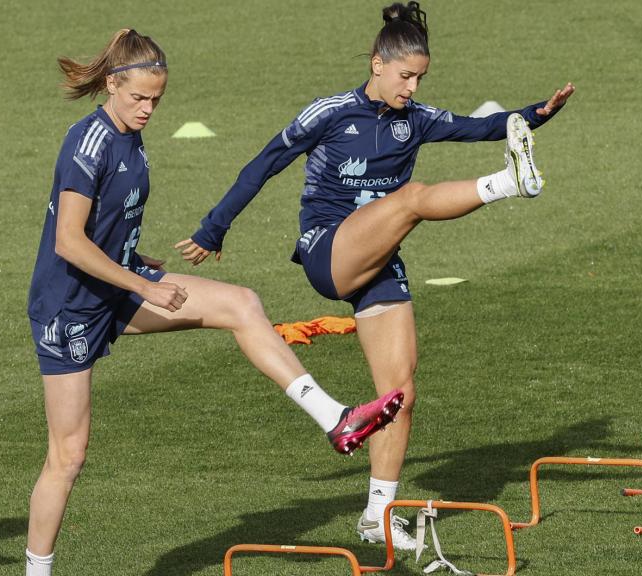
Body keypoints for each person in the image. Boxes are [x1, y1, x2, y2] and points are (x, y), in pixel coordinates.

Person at [176, 2, 574, 550]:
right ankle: (510, 183)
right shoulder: (331, 112)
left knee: (399, 395)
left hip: (379, 262)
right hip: (328, 251)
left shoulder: (419, 120)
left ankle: (377, 518)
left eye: (420, 77)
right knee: (410, 199)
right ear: (377, 64)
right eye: (405, 75)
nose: (412, 87)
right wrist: (214, 228)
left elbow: (483, 125)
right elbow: (265, 163)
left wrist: (539, 112)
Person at [24, 29, 404, 576]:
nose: (148, 109)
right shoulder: (89, 143)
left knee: (241, 304)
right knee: (68, 455)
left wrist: (138, 259)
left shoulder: (129, 134)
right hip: (68, 309)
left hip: (118, 286)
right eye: (138, 98)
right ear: (112, 84)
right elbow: (68, 241)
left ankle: (336, 418)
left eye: (156, 99)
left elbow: (104, 226)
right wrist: (144, 286)